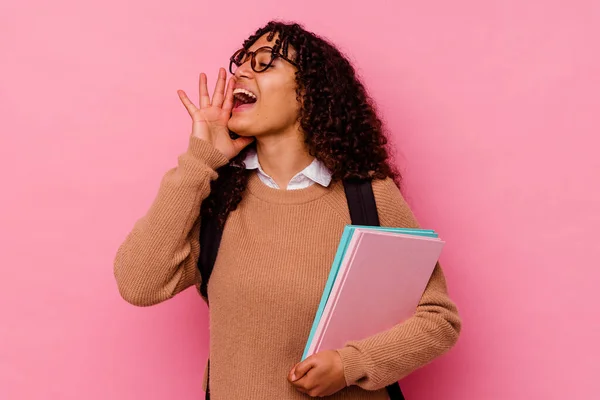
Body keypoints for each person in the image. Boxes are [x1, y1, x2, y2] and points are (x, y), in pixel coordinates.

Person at [114, 20, 462, 399]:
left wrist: (350, 365)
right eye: (242, 62)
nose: (242, 71)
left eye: (265, 62)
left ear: (307, 93)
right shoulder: (218, 200)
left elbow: (437, 318)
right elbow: (139, 284)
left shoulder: (368, 197)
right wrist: (201, 160)